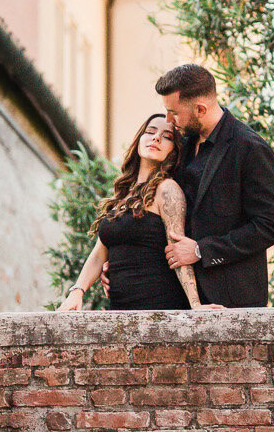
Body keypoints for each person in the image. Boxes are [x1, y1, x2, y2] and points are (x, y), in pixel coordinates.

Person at [154, 63, 274, 308]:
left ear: (200, 109)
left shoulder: (250, 148)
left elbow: (270, 226)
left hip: (231, 300)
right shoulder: (180, 144)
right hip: (177, 296)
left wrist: (202, 250)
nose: (168, 120)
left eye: (174, 113)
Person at [59, 113, 202, 312]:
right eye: (150, 132)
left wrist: (196, 306)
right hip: (120, 310)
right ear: (138, 140)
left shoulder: (167, 189)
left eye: (167, 137)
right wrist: (77, 291)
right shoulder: (122, 194)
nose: (156, 138)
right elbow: (100, 253)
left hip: (159, 307)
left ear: (174, 152)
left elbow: (178, 251)